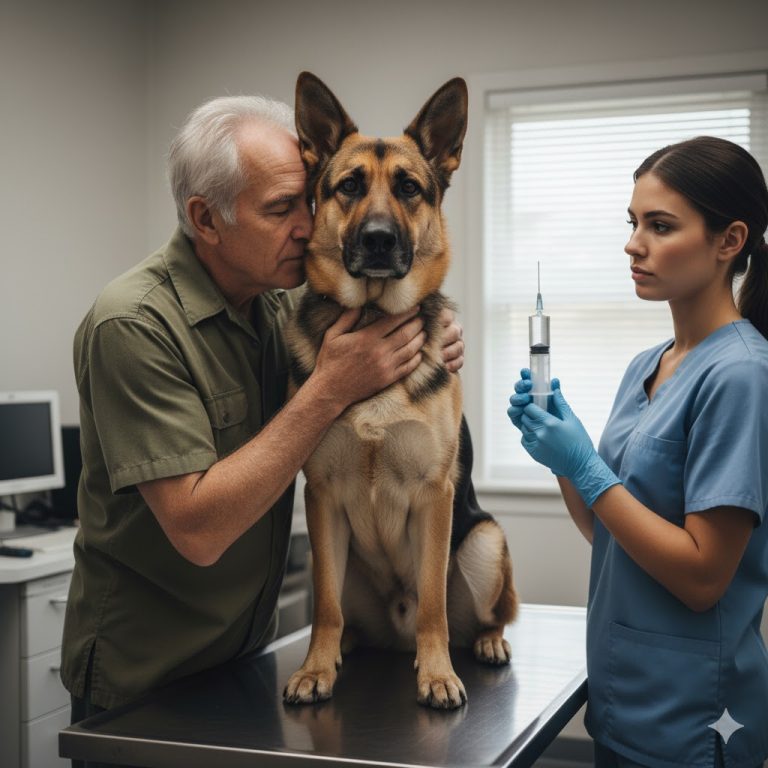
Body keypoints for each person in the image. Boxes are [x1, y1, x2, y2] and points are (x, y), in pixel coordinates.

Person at [61, 94, 466, 733]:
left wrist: (430, 330)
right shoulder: (133, 325)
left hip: (247, 657)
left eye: (308, 204)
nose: (309, 228)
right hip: (145, 682)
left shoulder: (281, 308)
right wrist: (329, 389)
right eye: (281, 209)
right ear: (206, 219)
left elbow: (385, 319)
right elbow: (198, 530)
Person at [507, 136, 768, 768]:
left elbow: (704, 577)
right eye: (633, 223)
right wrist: (565, 461)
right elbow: (612, 533)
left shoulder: (741, 375)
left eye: (660, 226)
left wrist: (588, 468)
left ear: (729, 241)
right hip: (625, 700)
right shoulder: (645, 366)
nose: (633, 244)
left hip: (695, 719)